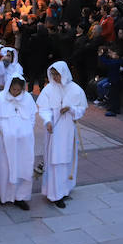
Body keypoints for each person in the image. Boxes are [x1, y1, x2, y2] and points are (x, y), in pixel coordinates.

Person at [36, 61, 87, 208]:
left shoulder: (76, 89)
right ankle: (55, 194)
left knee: (67, 160)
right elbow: (44, 109)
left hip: (68, 131)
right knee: (55, 161)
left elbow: (81, 110)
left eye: (57, 74)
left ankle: (65, 189)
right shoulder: (48, 89)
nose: (55, 77)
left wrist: (70, 108)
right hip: (54, 131)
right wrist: (47, 121)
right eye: (53, 74)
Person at [0, 74, 36, 210]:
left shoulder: (27, 99)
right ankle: (3, 195)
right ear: (9, 87)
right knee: (5, 167)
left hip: (23, 141)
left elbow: (32, 117)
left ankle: (20, 196)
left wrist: (26, 131)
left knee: (23, 166)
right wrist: (8, 132)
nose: (15, 93)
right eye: (13, 90)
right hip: (5, 139)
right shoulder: (0, 99)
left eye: (18, 90)